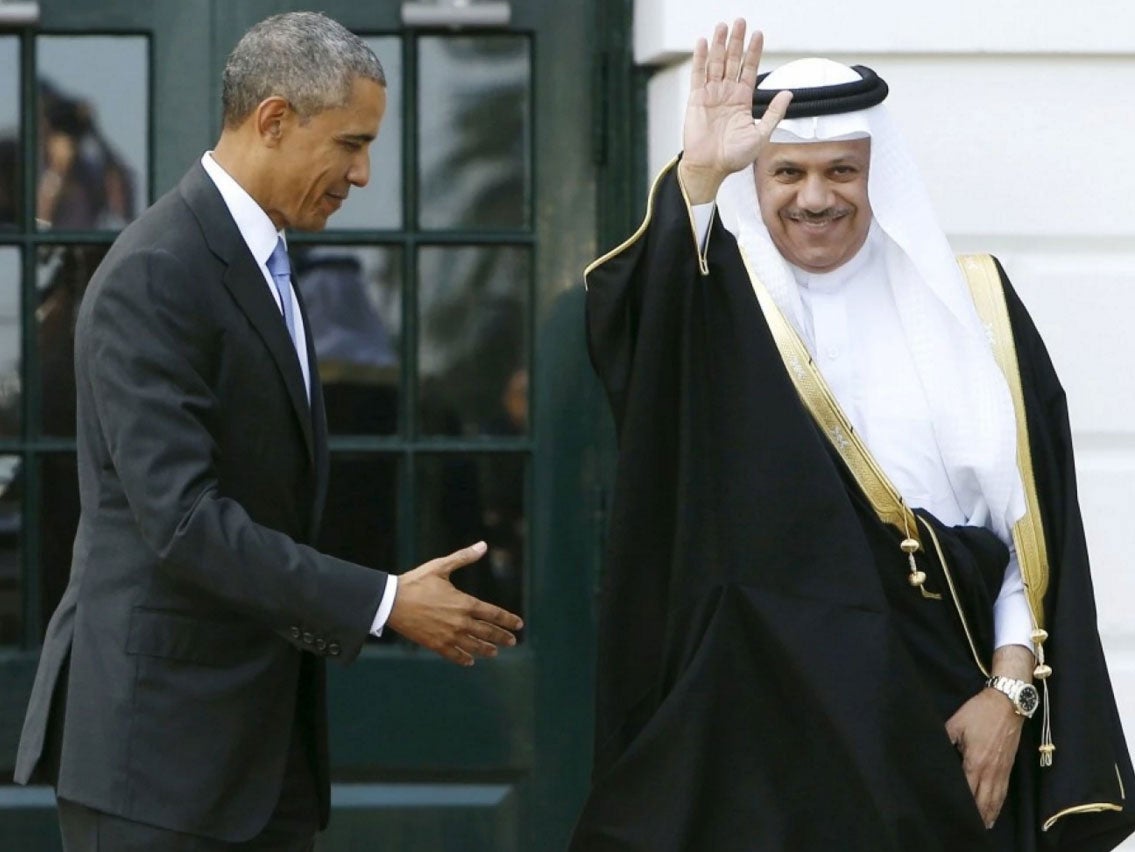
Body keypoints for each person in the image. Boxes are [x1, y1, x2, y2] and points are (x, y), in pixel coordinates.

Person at [571, 18, 1135, 852]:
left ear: (880, 177)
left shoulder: (973, 306)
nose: (814, 197)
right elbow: (639, 335)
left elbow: (1026, 528)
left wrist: (1009, 693)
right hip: (761, 726)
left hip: (944, 712)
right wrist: (697, 176)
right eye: (785, 172)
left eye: (842, 171)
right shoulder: (723, 309)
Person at [13, 12, 522, 851]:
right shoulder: (156, 273)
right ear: (274, 119)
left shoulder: (266, 261)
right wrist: (388, 602)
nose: (363, 174)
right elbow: (182, 522)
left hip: (256, 758)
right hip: (159, 768)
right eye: (351, 144)